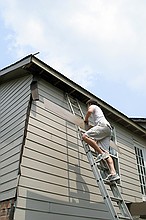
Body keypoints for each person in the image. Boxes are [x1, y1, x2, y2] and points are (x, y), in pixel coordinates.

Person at [82, 99, 120, 182]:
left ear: (90, 104)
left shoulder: (93, 106)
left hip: (103, 126)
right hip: (108, 130)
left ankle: (101, 154)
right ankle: (114, 174)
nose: (87, 107)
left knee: (85, 136)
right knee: (106, 152)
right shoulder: (99, 114)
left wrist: (86, 120)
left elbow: (89, 111)